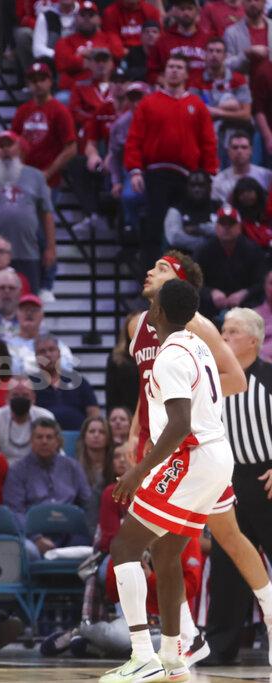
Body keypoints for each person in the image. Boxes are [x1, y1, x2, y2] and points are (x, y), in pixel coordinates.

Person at [100, 279, 234, 683]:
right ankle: (173, 655)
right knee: (166, 550)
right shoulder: (197, 345)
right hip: (216, 457)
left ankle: (143, 656)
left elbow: (179, 425)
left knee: (124, 546)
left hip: (192, 456)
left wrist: (139, 471)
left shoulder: (170, 356)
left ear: (157, 312)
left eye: (152, 303)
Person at [206, 307, 272, 665]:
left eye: (233, 331)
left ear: (253, 340)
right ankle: (220, 646)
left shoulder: (269, 378)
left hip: (267, 479)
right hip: (228, 481)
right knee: (226, 566)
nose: (224, 336)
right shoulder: (214, 380)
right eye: (224, 330)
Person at [124, 54, 218, 270]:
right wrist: (135, 170)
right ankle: (150, 276)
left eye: (179, 67)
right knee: (154, 225)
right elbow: (134, 139)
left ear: (186, 74)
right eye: (171, 66)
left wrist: (210, 173)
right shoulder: (148, 103)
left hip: (188, 177)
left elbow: (208, 142)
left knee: (187, 228)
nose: (174, 70)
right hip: (156, 174)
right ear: (164, 72)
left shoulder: (197, 105)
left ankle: (184, 276)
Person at [0, 130, 57, 294]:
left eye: (9, 145)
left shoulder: (36, 176)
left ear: (20, 148)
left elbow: (47, 215)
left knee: (28, 297)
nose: (5, 150)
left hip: (28, 251)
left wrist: (50, 248)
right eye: (1, 146)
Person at [2, 417, 93, 557]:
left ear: (57, 441)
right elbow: (15, 511)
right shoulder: (17, 470)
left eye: (49, 437)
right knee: (27, 550)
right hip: (33, 537)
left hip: (70, 534)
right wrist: (36, 538)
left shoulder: (72, 467)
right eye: (39, 437)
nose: (44, 441)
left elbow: (88, 504)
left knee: (91, 547)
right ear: (31, 440)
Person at [194, 206, 268, 313]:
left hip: (246, 307)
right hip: (210, 308)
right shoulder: (202, 250)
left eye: (231, 223)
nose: (227, 227)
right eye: (222, 223)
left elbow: (262, 282)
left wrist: (245, 293)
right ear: (216, 227)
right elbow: (193, 280)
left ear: (239, 227)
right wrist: (210, 292)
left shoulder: (253, 250)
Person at [0, 376, 57, 461]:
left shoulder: (45, 417)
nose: (20, 398)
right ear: (6, 398)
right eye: (15, 395)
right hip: (3, 465)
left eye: (25, 395)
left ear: (33, 398)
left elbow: (56, 451)